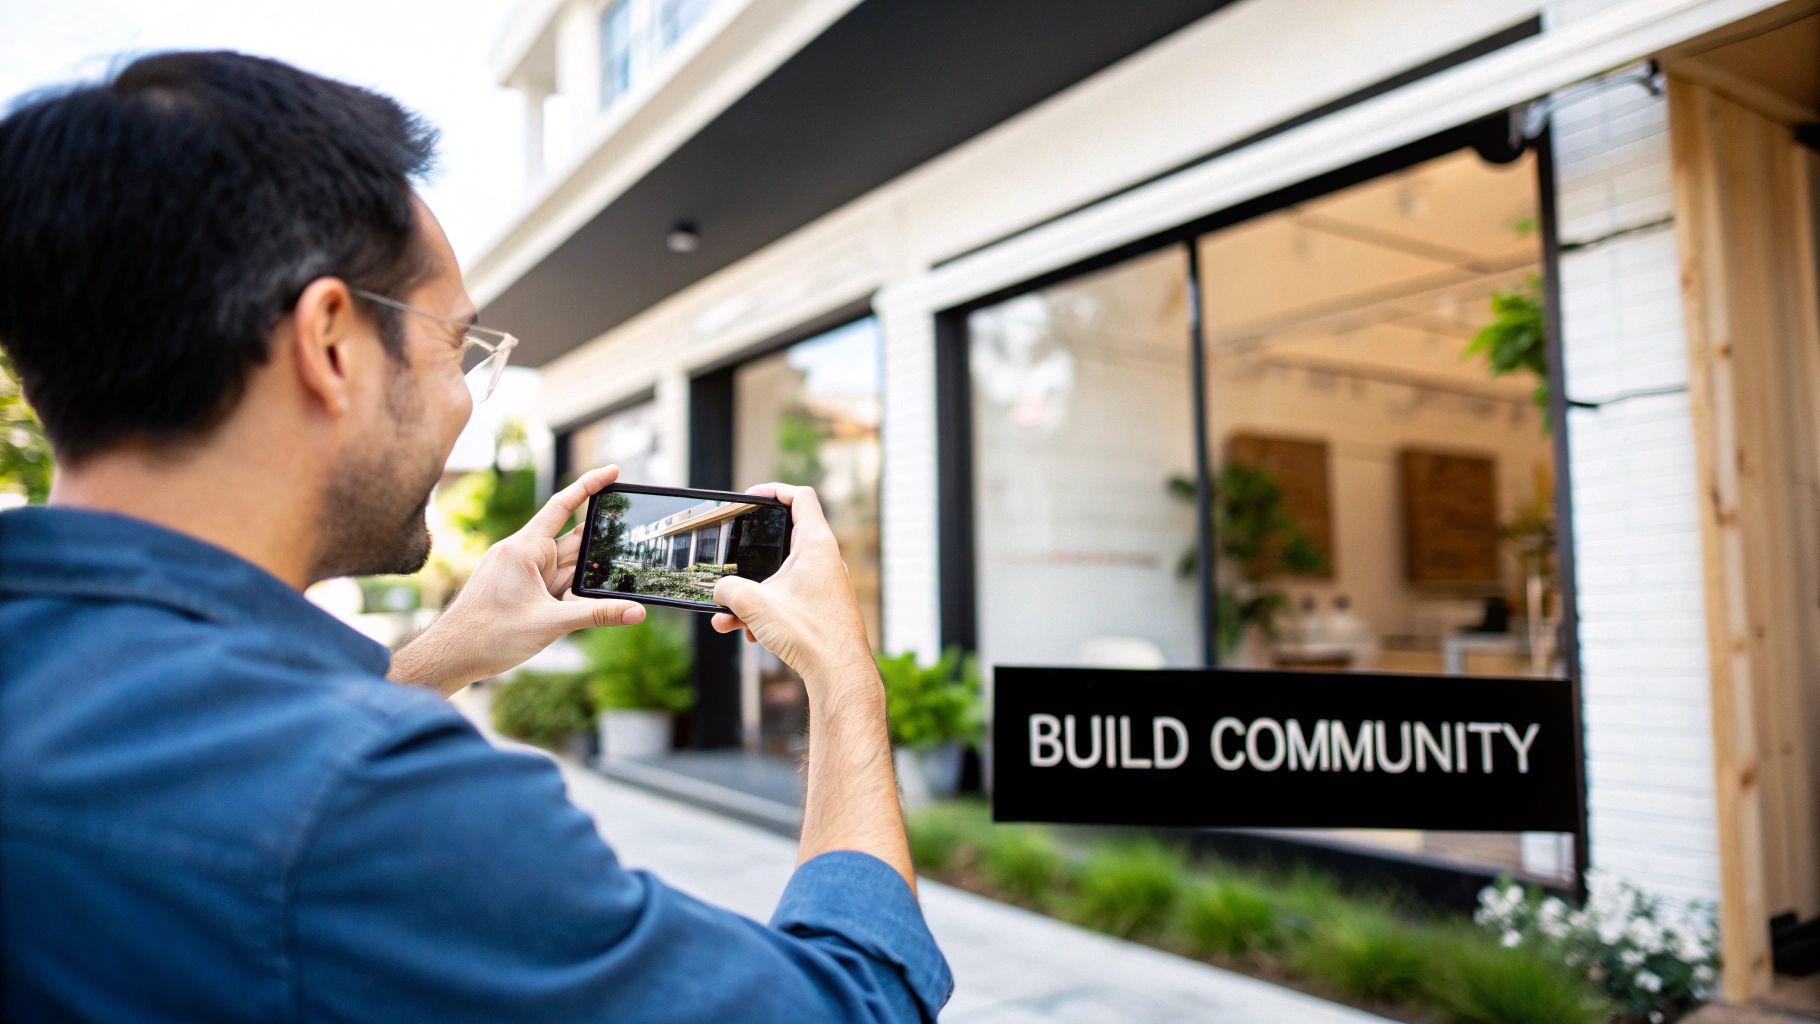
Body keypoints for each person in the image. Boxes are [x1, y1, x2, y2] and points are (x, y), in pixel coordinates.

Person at [0, 51, 950, 1021]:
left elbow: (189, 763)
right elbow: (851, 1004)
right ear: (331, 342)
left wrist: (446, 650)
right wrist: (842, 679)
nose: (465, 402)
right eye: (458, 346)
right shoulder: (382, 805)